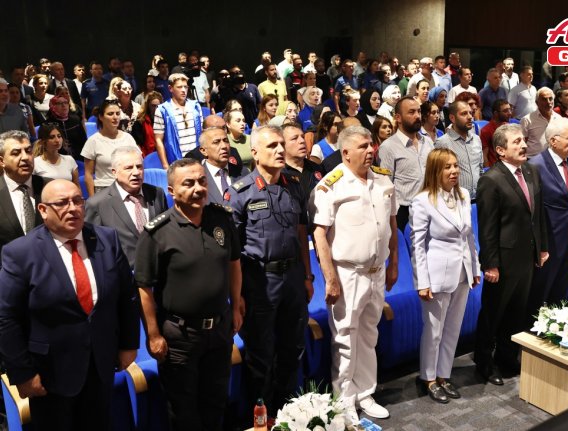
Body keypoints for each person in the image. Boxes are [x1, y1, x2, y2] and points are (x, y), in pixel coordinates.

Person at [0, 178, 140, 431]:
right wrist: (22, 373)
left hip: (101, 363)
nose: (73, 208)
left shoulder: (106, 239)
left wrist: (129, 344)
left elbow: (127, 296)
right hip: (50, 374)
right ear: (43, 210)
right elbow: (6, 318)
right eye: (62, 203)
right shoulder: (20, 253)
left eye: (77, 201)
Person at [135, 158, 242, 431]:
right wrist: (153, 334)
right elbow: (144, 288)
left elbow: (234, 263)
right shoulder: (157, 232)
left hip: (219, 330)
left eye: (202, 181)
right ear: (172, 191)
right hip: (179, 336)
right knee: (184, 411)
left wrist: (236, 306)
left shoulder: (221, 219)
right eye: (189, 183)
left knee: (216, 402)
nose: (198, 188)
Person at [310, 126, 398, 421]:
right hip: (348, 273)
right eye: (363, 146)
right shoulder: (330, 185)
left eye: (371, 145)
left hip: (377, 271)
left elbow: (392, 224)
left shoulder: (383, 179)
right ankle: (344, 398)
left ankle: (365, 393)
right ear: (345, 153)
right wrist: (330, 278)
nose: (371, 150)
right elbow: (319, 235)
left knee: (369, 334)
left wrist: (394, 263)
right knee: (345, 338)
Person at [227, 125, 314, 416]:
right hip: (260, 281)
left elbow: (301, 232)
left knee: (293, 348)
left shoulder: (294, 184)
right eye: (271, 146)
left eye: (281, 144)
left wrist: (307, 276)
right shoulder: (240, 192)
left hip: (293, 278)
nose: (279, 150)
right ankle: (262, 417)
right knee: (261, 353)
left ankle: (290, 413)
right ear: (254, 153)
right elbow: (232, 251)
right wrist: (237, 295)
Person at [475, 123, 548, 386]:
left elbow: (537, 214)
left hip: (526, 257)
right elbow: (487, 228)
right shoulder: (490, 180)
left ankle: (507, 357)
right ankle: (484, 361)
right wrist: (490, 264)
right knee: (493, 313)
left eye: (523, 140)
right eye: (516, 142)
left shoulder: (530, 170)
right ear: (500, 150)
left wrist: (542, 246)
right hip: (503, 261)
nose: (524, 145)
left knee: (517, 312)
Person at [410, 148, 480, 404]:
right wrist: (422, 282)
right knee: (434, 330)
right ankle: (428, 377)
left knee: (453, 328)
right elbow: (417, 245)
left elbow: (469, 236)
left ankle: (443, 374)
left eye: (455, 166)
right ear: (435, 171)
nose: (454, 171)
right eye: (447, 167)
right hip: (437, 274)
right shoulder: (423, 201)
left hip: (462, 272)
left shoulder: (462, 195)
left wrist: (475, 268)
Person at [526, 117, 568, 323]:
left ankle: (555, 330)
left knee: (559, 293)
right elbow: (533, 212)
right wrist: (540, 246)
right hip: (547, 243)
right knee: (539, 294)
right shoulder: (536, 166)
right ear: (553, 141)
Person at [85, 147, 168, 268]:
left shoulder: (157, 193)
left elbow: (166, 232)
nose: (136, 172)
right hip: (125, 272)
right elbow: (95, 248)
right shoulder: (97, 204)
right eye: (129, 168)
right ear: (114, 172)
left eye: (139, 167)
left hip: (161, 267)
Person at [379, 96, 433, 229]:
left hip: (430, 206)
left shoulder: (428, 142)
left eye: (419, 111)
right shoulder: (388, 147)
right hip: (404, 212)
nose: (417, 116)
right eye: (411, 112)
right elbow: (385, 186)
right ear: (398, 117)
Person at [0, 130, 47, 253]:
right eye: (16, 153)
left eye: (28, 151)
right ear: (1, 161)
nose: (25, 157)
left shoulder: (50, 187)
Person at [81, 100, 140, 196]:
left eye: (117, 113)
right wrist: (93, 200)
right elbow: (88, 174)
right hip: (104, 189)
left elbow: (138, 163)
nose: (115, 117)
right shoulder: (93, 141)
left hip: (128, 187)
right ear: (101, 117)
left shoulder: (128, 138)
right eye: (110, 114)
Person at [153, 73, 203, 169]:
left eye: (185, 87)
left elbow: (202, 133)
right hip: (176, 159)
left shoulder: (195, 106)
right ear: (170, 88)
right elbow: (158, 139)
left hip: (197, 157)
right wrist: (165, 165)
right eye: (179, 87)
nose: (183, 90)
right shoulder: (162, 110)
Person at [435, 100, 483, 199]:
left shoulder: (476, 139)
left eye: (470, 113)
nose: (470, 117)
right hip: (455, 199)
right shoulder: (442, 143)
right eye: (464, 113)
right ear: (452, 118)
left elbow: (480, 169)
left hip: (479, 198)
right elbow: (438, 176)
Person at [282, 122, 324, 196]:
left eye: (303, 137)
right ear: (282, 144)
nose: (302, 141)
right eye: (294, 138)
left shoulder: (316, 168)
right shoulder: (279, 173)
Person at [32, 123, 79, 187]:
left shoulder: (69, 160)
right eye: (52, 137)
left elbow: (77, 186)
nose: (57, 140)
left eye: (59, 136)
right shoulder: (35, 163)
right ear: (42, 141)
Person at [521, 87, 561, 158]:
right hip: (532, 159)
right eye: (544, 99)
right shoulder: (527, 120)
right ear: (537, 102)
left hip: (553, 159)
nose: (548, 102)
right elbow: (522, 143)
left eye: (550, 99)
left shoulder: (559, 118)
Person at [131, 91, 163, 157]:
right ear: (148, 105)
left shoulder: (165, 120)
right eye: (153, 106)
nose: (155, 109)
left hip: (163, 155)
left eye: (158, 106)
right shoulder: (140, 122)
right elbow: (138, 145)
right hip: (146, 157)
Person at [480, 99, 511, 167]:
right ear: (496, 113)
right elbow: (484, 155)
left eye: (510, 110)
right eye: (505, 111)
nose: (510, 113)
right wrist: (488, 171)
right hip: (496, 168)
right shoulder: (486, 130)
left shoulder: (509, 127)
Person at [224, 101, 253, 168]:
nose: (242, 124)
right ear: (228, 124)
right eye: (238, 121)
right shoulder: (225, 141)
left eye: (243, 120)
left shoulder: (250, 139)